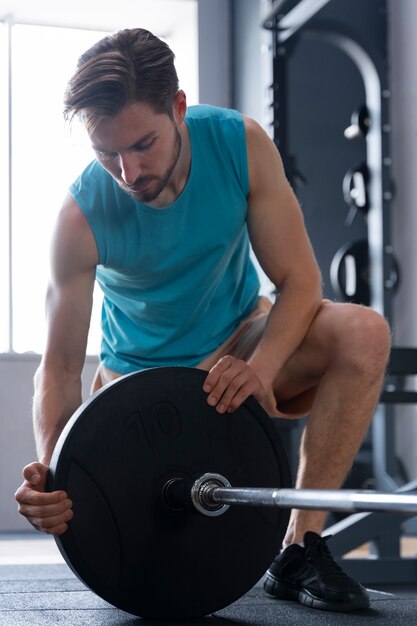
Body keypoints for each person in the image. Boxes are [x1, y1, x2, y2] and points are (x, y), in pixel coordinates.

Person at [15, 28, 391, 613]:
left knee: (364, 332)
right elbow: (59, 368)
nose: (128, 171)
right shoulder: (80, 215)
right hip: (137, 383)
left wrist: (260, 369)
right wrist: (53, 473)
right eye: (106, 152)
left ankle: (299, 548)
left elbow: (300, 283)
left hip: (241, 340)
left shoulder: (238, 144)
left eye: (143, 144)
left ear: (179, 108)